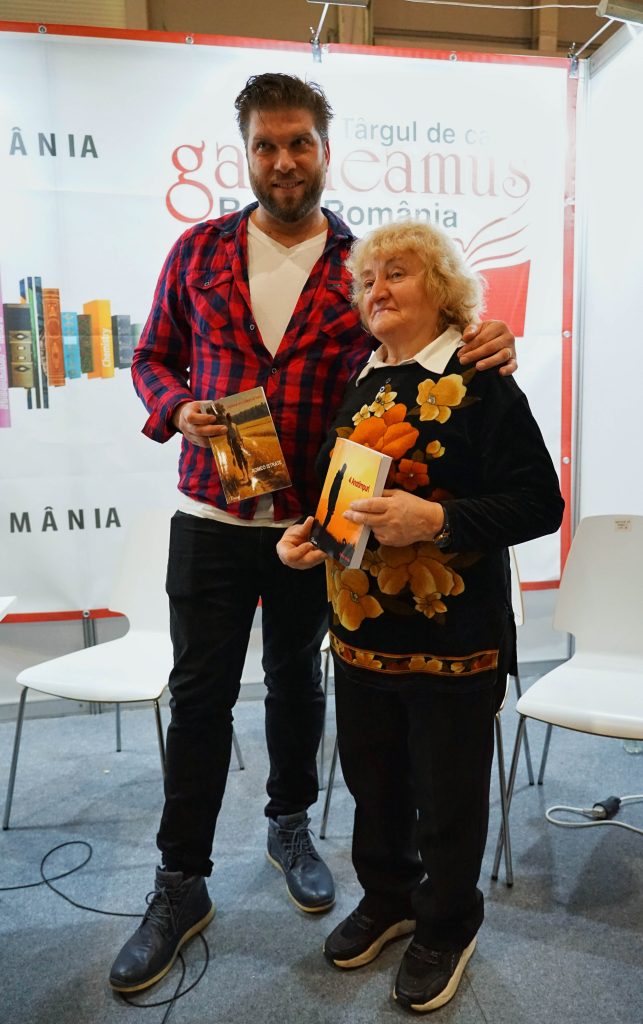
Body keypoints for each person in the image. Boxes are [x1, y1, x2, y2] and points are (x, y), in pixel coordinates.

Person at [108, 73, 519, 995]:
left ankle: (289, 826)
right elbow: (151, 356)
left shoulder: (358, 262)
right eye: (266, 144)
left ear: (324, 150)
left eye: (299, 142)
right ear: (246, 152)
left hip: (319, 529)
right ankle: (180, 882)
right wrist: (176, 410)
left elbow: (419, 342)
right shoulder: (198, 250)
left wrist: (490, 340)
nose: (283, 160)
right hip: (212, 518)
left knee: (299, 685)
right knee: (200, 698)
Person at [276, 220, 564, 1013]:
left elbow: (538, 503)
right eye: (367, 280)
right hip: (360, 633)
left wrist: (435, 521)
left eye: (396, 273)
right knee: (372, 783)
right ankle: (389, 899)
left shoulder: (479, 379)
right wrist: (310, 536)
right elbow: (343, 495)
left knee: (446, 795)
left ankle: (446, 923)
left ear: (442, 288)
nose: (376, 290)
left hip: (452, 638)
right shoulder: (363, 380)